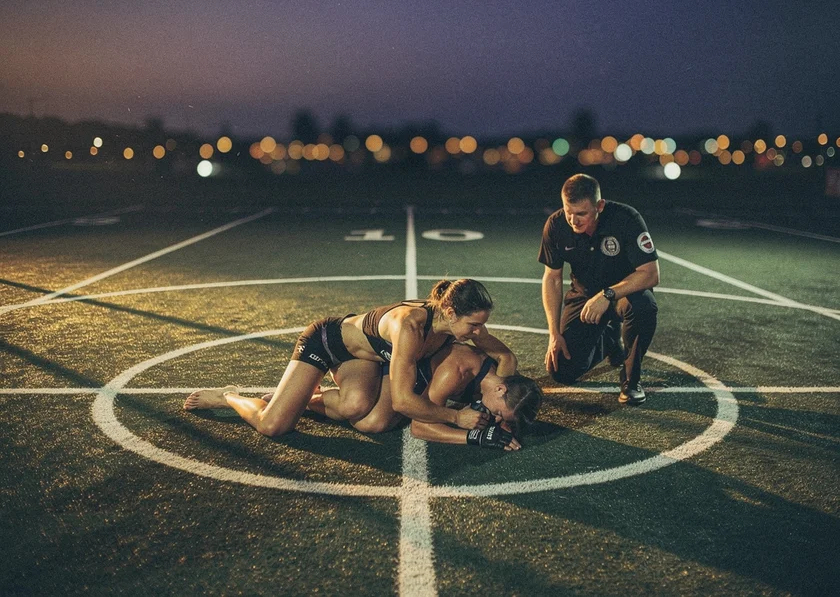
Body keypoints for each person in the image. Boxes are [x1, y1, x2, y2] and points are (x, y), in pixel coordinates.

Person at [184, 279, 517, 435]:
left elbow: (505, 357)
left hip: (369, 358)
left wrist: (505, 391)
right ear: (449, 310)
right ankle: (229, 397)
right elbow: (403, 402)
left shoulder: (462, 323)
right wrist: (456, 418)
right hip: (328, 343)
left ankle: (300, 399)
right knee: (273, 426)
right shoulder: (411, 328)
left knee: (365, 416)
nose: (478, 334)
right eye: (474, 326)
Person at [539, 173, 659, 405]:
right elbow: (552, 278)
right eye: (568, 212)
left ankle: (630, 379)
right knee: (561, 370)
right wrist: (554, 334)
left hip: (623, 295)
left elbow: (651, 274)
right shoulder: (555, 225)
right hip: (584, 297)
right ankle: (610, 340)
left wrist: (608, 295)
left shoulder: (626, 219)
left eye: (582, 213)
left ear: (599, 206)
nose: (574, 220)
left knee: (644, 305)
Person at [310, 342, 543, 450]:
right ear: (501, 389)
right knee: (366, 416)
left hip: (408, 376)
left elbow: (513, 402)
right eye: (499, 414)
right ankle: (308, 400)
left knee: (375, 421)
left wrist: (508, 427)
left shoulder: (505, 380)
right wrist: (473, 437)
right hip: (375, 360)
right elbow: (419, 428)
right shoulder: (457, 371)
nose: (497, 419)